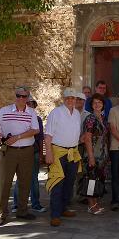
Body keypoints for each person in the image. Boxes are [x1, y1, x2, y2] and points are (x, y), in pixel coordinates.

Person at [0, 86, 39, 226]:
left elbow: (35, 130)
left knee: (25, 181)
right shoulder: (5, 110)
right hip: (9, 151)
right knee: (5, 182)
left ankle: (22, 210)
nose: (21, 99)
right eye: (19, 95)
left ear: (28, 98)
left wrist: (18, 137)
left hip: (26, 150)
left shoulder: (31, 112)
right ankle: (1, 212)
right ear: (15, 96)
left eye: (24, 96)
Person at [44, 88, 82, 226]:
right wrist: (48, 152)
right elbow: (48, 135)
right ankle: (55, 214)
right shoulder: (56, 112)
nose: (71, 100)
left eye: (73, 98)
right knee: (57, 183)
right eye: (68, 98)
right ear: (63, 99)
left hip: (72, 153)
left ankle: (63, 208)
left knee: (69, 182)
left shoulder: (77, 113)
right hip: (58, 153)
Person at [12, 95, 46, 214]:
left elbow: (40, 138)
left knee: (34, 178)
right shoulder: (16, 118)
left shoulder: (37, 119)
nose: (29, 106)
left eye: (32, 104)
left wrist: (41, 154)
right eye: (28, 104)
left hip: (34, 151)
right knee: (20, 178)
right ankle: (17, 204)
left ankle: (35, 203)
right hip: (20, 151)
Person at [81, 93, 110, 214]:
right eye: (95, 103)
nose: (97, 104)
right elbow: (87, 138)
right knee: (91, 180)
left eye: (100, 102)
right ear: (91, 105)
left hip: (102, 155)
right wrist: (91, 156)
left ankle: (96, 203)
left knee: (99, 179)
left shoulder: (103, 119)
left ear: (103, 105)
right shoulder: (90, 119)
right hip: (92, 155)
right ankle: (91, 205)